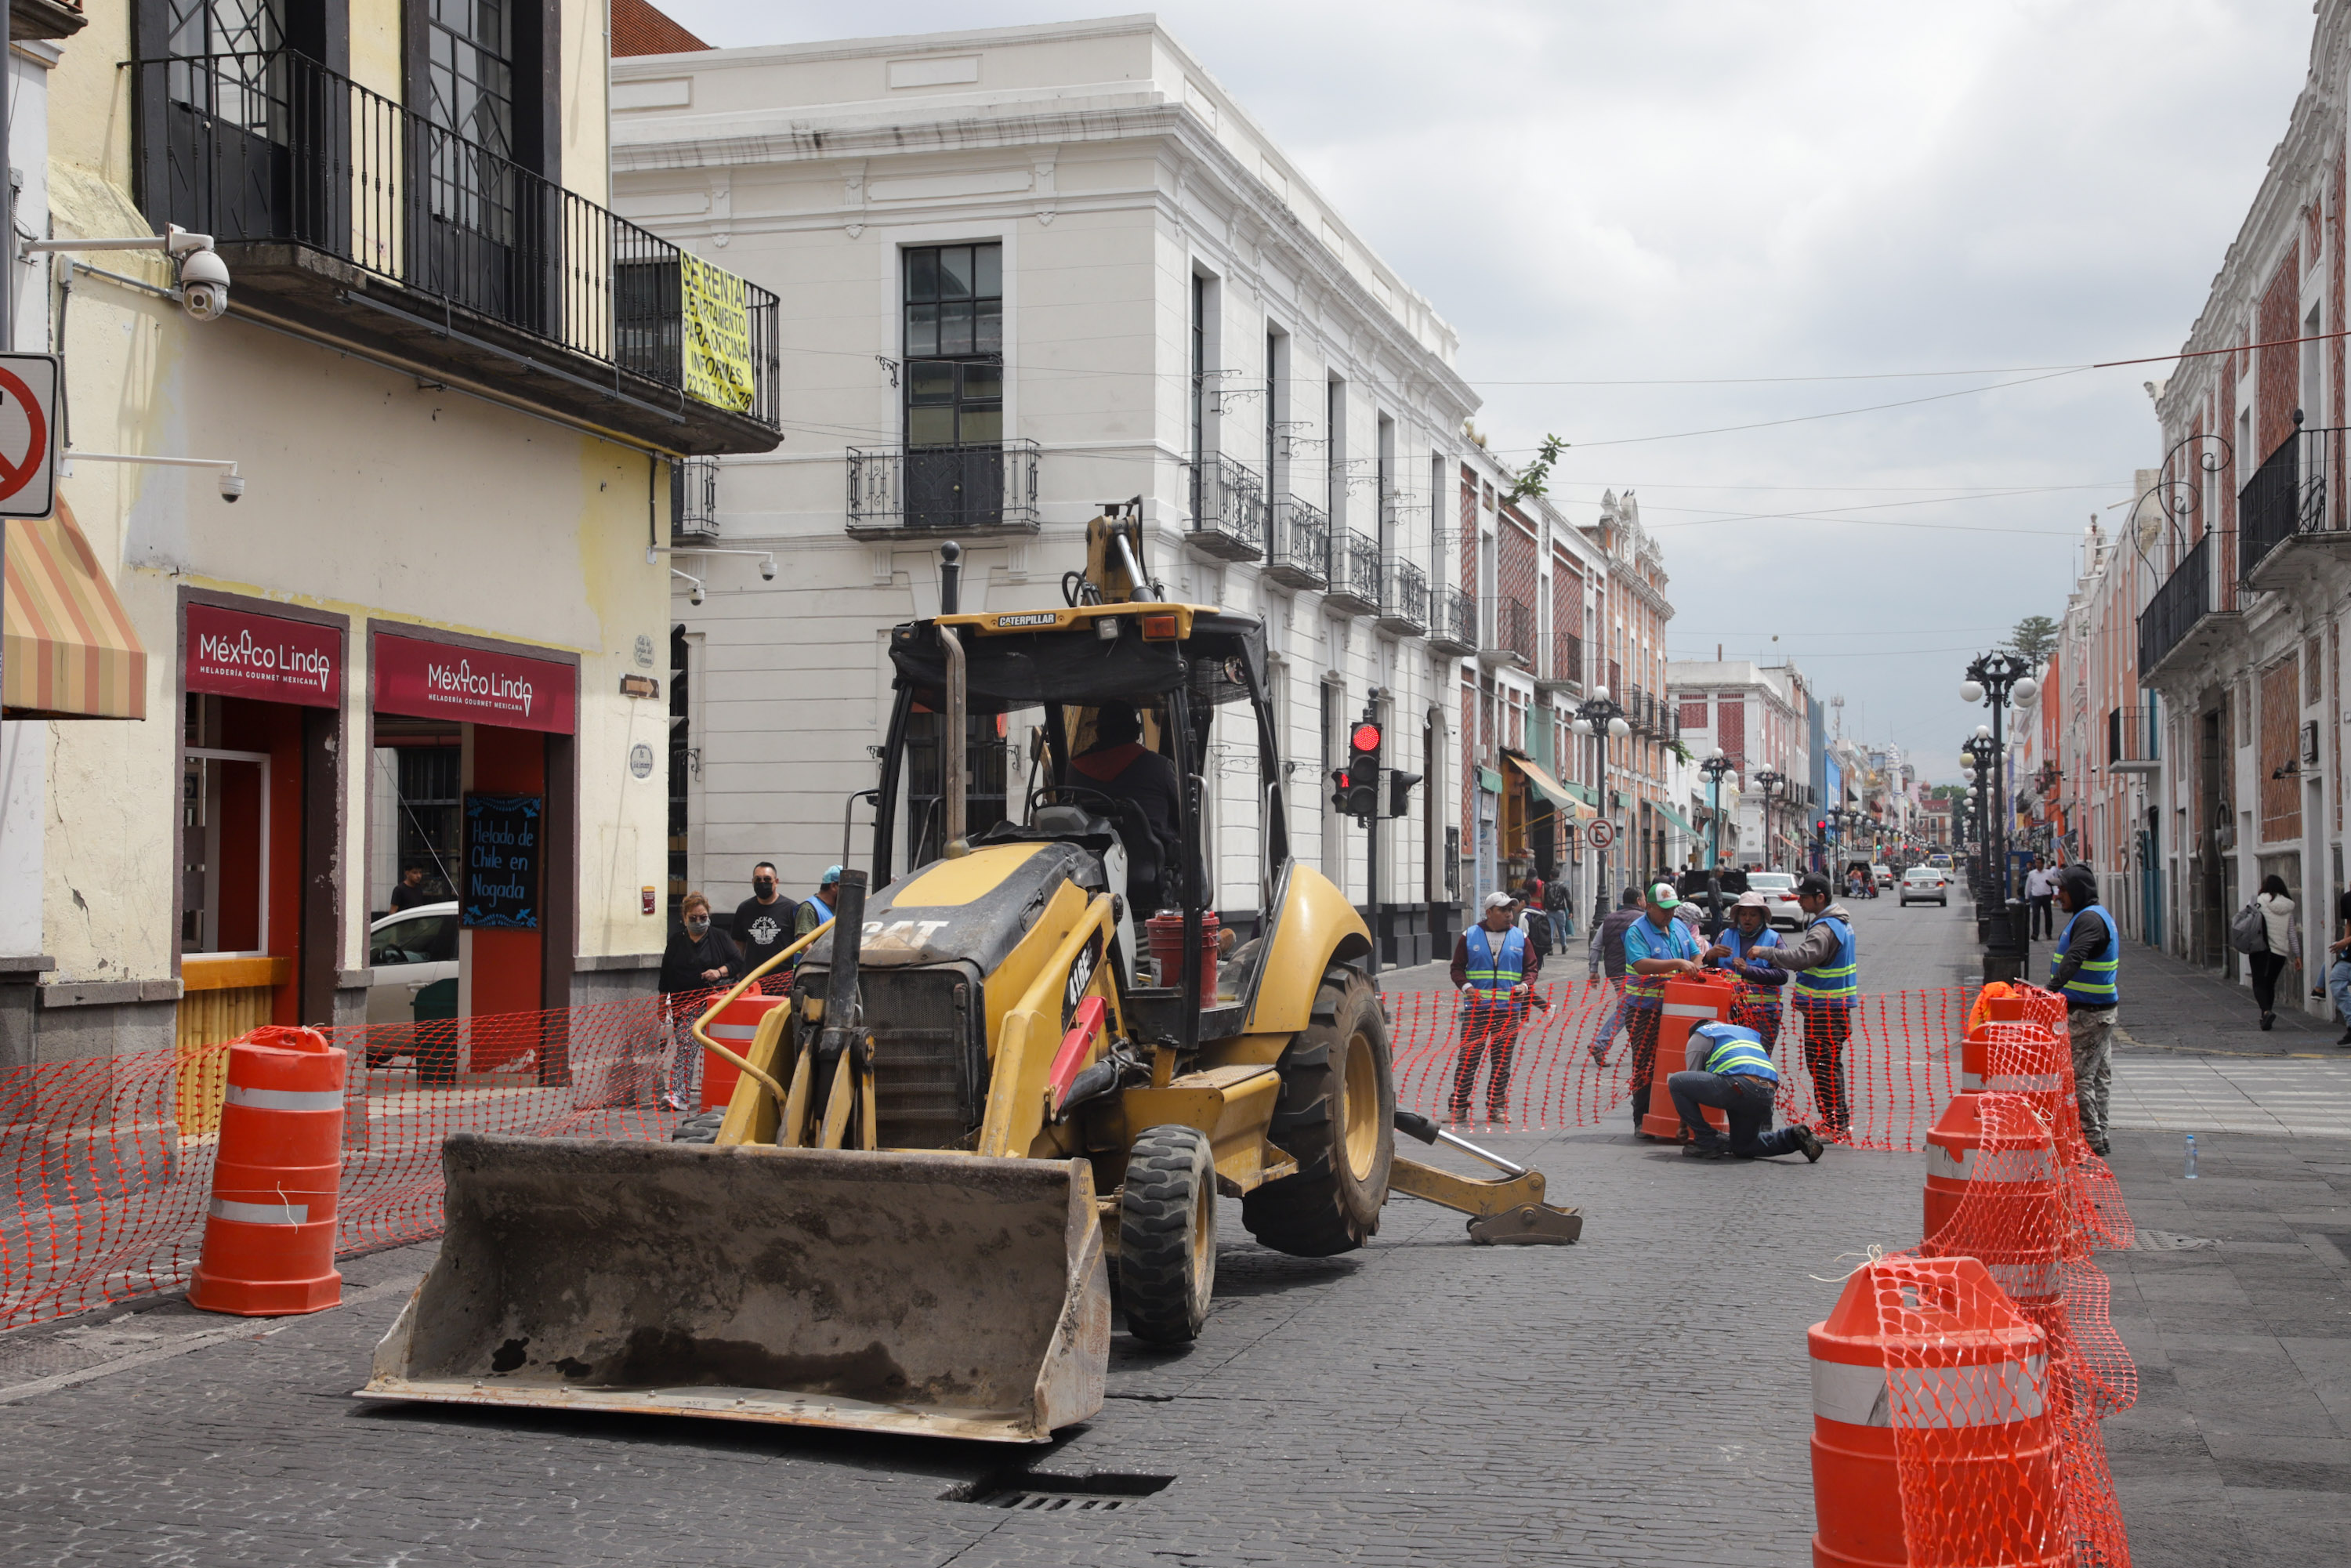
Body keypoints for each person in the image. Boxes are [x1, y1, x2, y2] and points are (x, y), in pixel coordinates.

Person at [1750, 874, 1858, 1141]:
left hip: (1825, 1010)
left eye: (1804, 896)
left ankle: (1834, 1125)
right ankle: (1836, 1122)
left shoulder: (1825, 927)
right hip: (1830, 1009)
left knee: (1823, 1065)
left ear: (1820, 897)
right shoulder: (1839, 923)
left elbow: (1802, 958)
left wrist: (1766, 952)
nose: (1799, 900)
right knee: (1828, 1065)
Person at [1070, 701, 1184, 908]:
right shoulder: (1160, 767)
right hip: (1150, 877)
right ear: (1135, 731)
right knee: (1193, 855)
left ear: (1099, 733)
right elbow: (1183, 818)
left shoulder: (1075, 771)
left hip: (1092, 878)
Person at [1669, 1019, 1825, 1161]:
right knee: (1743, 1147)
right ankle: (1792, 1137)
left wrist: (1683, 1127)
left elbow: (1690, 1082)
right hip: (1767, 1091)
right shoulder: (1742, 1032)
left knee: (1676, 1082)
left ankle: (1707, 1141)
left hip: (1739, 1086)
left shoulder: (1699, 1036)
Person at [1621, 881, 1706, 1131]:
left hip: (1678, 1008)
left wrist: (1695, 966)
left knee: (1676, 1062)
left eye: (1672, 909)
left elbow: (1695, 954)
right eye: (1664, 909)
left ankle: (1671, 1114)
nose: (1669, 914)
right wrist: (1677, 964)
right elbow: (1640, 964)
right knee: (1644, 1063)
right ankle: (1642, 1117)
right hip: (1644, 1010)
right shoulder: (1636, 930)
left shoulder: (1678, 926)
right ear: (1649, 907)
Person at [2049, 866, 2120, 1156]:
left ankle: (2090, 1144)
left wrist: (2051, 988)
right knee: (2099, 1077)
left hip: (2088, 1015)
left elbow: (2076, 955)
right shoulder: (2092, 915)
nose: (2058, 895)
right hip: (2098, 1011)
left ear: (2077, 891)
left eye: (2063, 890)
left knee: (2076, 1078)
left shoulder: (2089, 920)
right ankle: (2100, 1136)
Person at [1450, 891, 1539, 1123]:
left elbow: (1531, 969)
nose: (1509, 915)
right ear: (1489, 913)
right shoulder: (1469, 936)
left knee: (1501, 1062)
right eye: (1503, 910)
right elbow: (1457, 968)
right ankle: (1458, 1107)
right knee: (1468, 1059)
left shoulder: (1521, 937)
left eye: (1511, 910)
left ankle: (1496, 1108)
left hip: (1508, 1011)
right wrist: (1467, 987)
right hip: (1476, 1011)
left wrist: (1525, 986)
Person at [658, 892, 741, 1111]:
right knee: (686, 1045)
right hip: (684, 1006)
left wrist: (719, 972)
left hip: (716, 1004)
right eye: (693, 919)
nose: (698, 922)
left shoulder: (720, 937)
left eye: (702, 917)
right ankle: (678, 1094)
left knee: (721, 1051)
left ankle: (729, 1092)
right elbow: (665, 976)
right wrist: (660, 1009)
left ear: (708, 915)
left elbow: (737, 962)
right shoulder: (676, 942)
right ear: (684, 918)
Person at [1705, 890, 1787, 1049]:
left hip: (1764, 1014)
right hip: (1730, 1011)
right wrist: (1709, 956)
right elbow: (1711, 973)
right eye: (1743, 914)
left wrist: (1748, 970)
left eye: (1753, 915)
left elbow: (1782, 975)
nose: (1747, 919)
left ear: (1762, 917)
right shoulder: (1725, 935)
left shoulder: (1773, 939)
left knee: (1758, 1059)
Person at [1586, 887, 1644, 1066]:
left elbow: (1596, 945)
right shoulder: (1642, 920)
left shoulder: (1609, 918)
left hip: (1614, 972)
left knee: (1630, 1008)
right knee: (1626, 1008)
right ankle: (1601, 1043)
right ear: (1637, 901)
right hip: (1634, 972)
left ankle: (1640, 1048)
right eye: (1643, 898)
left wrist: (1593, 969)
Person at [730, 860, 795, 993]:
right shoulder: (744, 909)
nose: (762, 883)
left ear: (776, 882)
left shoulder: (791, 908)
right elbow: (739, 944)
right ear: (752, 882)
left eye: (767, 879)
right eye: (758, 879)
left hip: (782, 983)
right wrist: (738, 972)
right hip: (752, 982)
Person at [2250, 874, 2301, 1031]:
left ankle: (2266, 1012)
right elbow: (2291, 933)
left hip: (2260, 949)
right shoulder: (2288, 906)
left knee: (2259, 983)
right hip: (2279, 952)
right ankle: (2266, 1016)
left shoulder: (2258, 901)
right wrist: (2298, 955)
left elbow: (2247, 920)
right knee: (2270, 984)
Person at [2328, 883, 2351, 1047]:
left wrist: (2345, 942)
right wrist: (2345, 944)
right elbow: (2349, 922)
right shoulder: (2347, 899)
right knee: (2337, 979)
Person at [795, 865, 843, 940]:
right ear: (834, 886)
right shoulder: (809, 908)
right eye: (845, 888)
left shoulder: (841, 909)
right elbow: (805, 945)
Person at [2024, 857, 2056, 941]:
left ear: (2043, 864)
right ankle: (2035, 933)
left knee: (2048, 916)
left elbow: (2054, 883)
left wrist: (2056, 894)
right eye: (2036, 863)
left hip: (2046, 896)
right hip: (2036, 896)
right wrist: (2027, 896)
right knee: (2035, 916)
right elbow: (2028, 885)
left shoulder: (2049, 873)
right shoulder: (2032, 874)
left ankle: (2048, 933)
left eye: (2039, 863)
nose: (2037, 864)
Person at [1544, 875, 1573, 950]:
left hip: (1549, 911)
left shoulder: (1546, 886)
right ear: (1559, 876)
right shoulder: (1563, 886)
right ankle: (1564, 946)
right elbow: (1568, 900)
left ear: (1550, 876)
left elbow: (1543, 898)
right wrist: (1570, 911)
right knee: (1562, 929)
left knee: (1551, 929)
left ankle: (1550, 947)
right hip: (1560, 911)